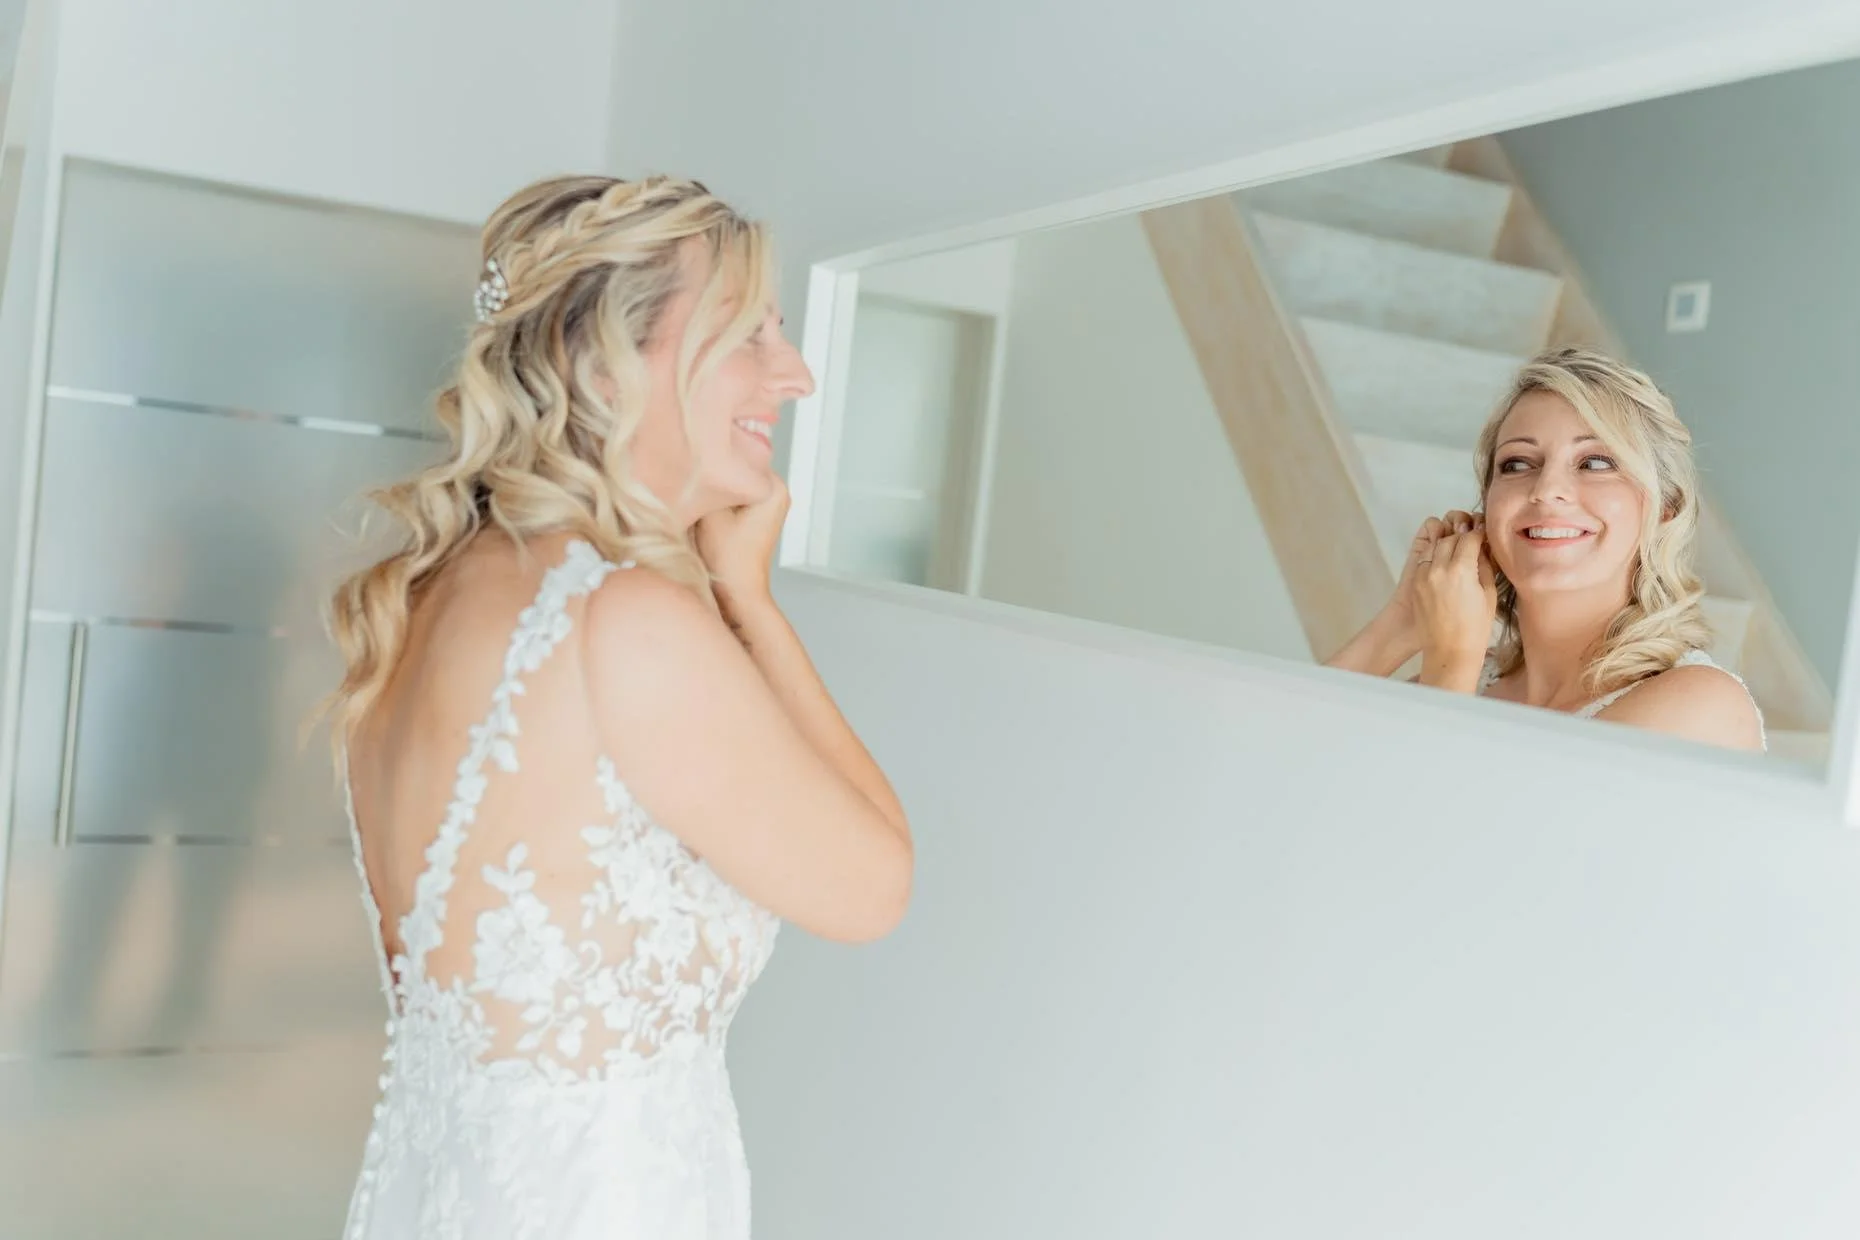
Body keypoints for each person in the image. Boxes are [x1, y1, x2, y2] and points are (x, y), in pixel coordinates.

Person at [323, 174, 913, 1239]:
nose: (796, 374)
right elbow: (876, 885)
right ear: (601, 363)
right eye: (749, 335)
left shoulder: (429, 597)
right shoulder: (625, 621)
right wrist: (751, 603)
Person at [1327, 347, 1764, 752]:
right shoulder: (1459, 682)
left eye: (1595, 463)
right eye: (1517, 464)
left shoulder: (1699, 708)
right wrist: (1402, 622)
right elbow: (1279, 770)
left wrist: (1452, 660)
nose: (1546, 490)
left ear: (1666, 507)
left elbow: (1442, 828)